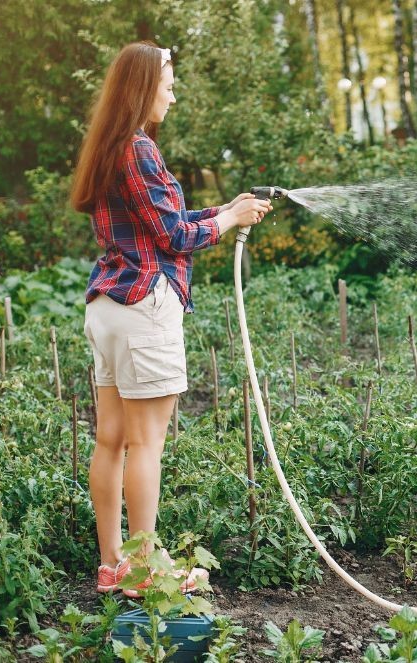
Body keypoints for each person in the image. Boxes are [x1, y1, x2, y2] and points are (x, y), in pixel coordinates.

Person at [69, 41, 272, 597]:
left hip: (109, 307)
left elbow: (166, 218)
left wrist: (225, 210)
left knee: (111, 439)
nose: (174, 93)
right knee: (146, 442)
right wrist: (228, 220)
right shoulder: (138, 149)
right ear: (142, 88)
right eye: (169, 82)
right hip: (143, 308)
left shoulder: (113, 147)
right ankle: (143, 571)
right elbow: (174, 236)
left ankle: (113, 563)